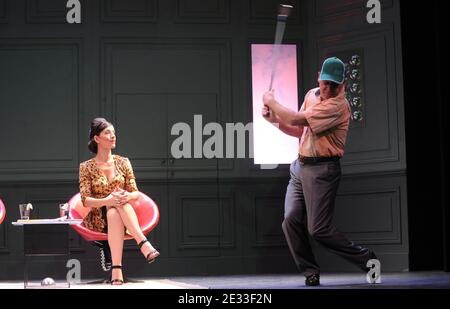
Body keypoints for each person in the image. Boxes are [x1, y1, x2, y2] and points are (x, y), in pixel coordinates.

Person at [262, 57, 377, 286]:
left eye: (334, 84)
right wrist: (273, 120)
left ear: (342, 84)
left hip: (323, 170)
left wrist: (271, 102)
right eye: (325, 82)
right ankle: (310, 271)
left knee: (319, 229)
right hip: (300, 167)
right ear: (318, 77)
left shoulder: (338, 106)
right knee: (291, 220)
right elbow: (298, 130)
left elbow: (295, 117)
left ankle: (368, 260)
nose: (328, 89)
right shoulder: (311, 94)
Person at [79, 117, 160, 285]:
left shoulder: (123, 162)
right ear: (96, 138)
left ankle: (117, 269)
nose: (113, 136)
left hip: (124, 215)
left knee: (117, 208)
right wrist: (107, 200)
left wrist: (126, 196)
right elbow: (85, 200)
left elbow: (135, 192)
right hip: (99, 218)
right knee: (113, 207)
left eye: (114, 133)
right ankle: (143, 243)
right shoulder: (85, 167)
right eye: (107, 132)